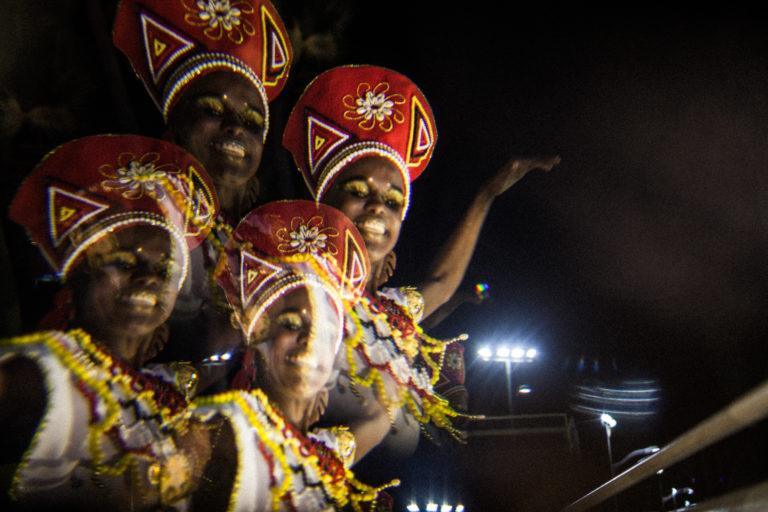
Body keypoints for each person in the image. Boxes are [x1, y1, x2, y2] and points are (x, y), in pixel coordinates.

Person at [283, 64, 560, 458]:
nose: (378, 207)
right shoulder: (288, 293)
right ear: (325, 203)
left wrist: (488, 195)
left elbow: (443, 280)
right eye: (358, 191)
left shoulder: (388, 317)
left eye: (394, 201)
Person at [0, 134, 218, 510]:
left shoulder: (169, 399)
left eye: (163, 268)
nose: (148, 279)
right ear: (79, 276)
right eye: (122, 261)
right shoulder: (41, 372)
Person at [113, 0, 295, 371]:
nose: (235, 129)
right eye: (212, 110)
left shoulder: (255, 236)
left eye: (252, 122)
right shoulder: (142, 216)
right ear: (174, 129)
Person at [188, 200, 392, 510]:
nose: (311, 341)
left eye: (326, 332)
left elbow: (380, 416)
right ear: (256, 333)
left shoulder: (323, 456)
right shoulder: (223, 430)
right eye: (292, 324)